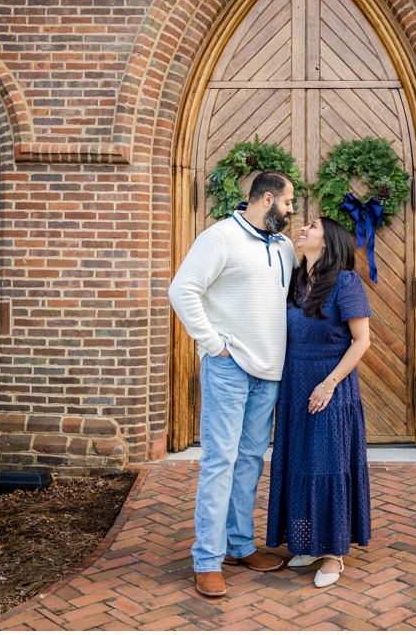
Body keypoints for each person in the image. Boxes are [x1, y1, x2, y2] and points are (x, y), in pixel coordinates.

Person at [168, 170, 297, 598]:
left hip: (270, 372)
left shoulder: (285, 247)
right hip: (229, 367)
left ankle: (239, 546)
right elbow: (182, 289)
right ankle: (206, 558)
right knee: (220, 463)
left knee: (250, 463)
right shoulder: (220, 236)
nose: (292, 210)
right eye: (288, 202)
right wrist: (212, 344)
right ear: (266, 200)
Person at [266, 215, 372, 588]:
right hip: (295, 383)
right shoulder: (294, 280)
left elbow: (362, 341)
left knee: (329, 465)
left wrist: (328, 384)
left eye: (312, 226)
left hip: (331, 384)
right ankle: (307, 543)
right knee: (299, 464)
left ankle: (333, 553)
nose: (303, 228)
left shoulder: (346, 282)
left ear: (328, 242)